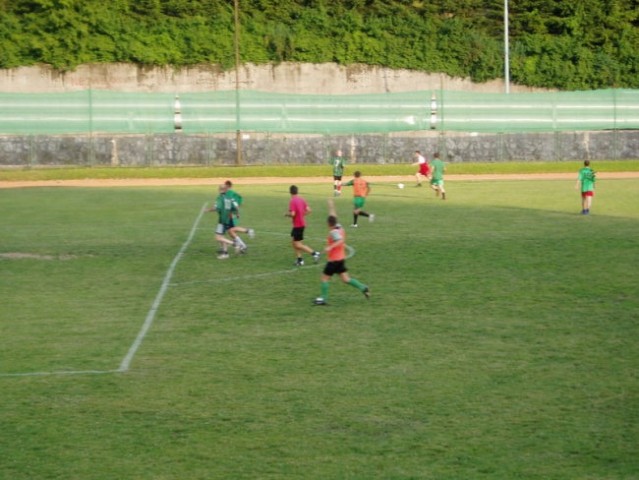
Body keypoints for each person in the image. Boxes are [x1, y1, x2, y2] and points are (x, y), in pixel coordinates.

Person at [313, 198, 370, 306]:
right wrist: (331, 205)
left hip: (333, 260)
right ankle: (363, 288)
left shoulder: (333, 232)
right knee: (346, 279)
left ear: (328, 224)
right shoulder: (339, 227)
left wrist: (330, 247)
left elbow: (340, 240)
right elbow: (333, 214)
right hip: (341, 259)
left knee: (324, 278)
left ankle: (323, 298)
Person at [285, 185, 321, 266]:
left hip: (298, 225)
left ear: (290, 192)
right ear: (297, 191)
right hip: (301, 224)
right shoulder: (301, 199)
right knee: (294, 242)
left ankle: (315, 254)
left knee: (297, 244)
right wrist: (302, 215)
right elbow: (309, 210)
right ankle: (300, 260)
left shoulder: (292, 201)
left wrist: (287, 214)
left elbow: (293, 214)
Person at [208, 184, 239, 260]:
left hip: (222, 220)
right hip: (228, 219)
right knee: (222, 237)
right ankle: (225, 254)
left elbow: (217, 208)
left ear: (219, 190)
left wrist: (207, 210)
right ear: (226, 190)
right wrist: (237, 214)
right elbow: (234, 208)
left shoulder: (220, 198)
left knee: (218, 238)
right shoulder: (228, 198)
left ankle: (234, 244)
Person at [224, 180, 255, 252]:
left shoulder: (229, 193)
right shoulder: (232, 193)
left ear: (228, 186)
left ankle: (248, 232)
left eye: (225, 185)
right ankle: (242, 245)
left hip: (230, 214)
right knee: (231, 231)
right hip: (231, 213)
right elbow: (239, 200)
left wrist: (234, 213)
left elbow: (234, 204)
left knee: (231, 230)